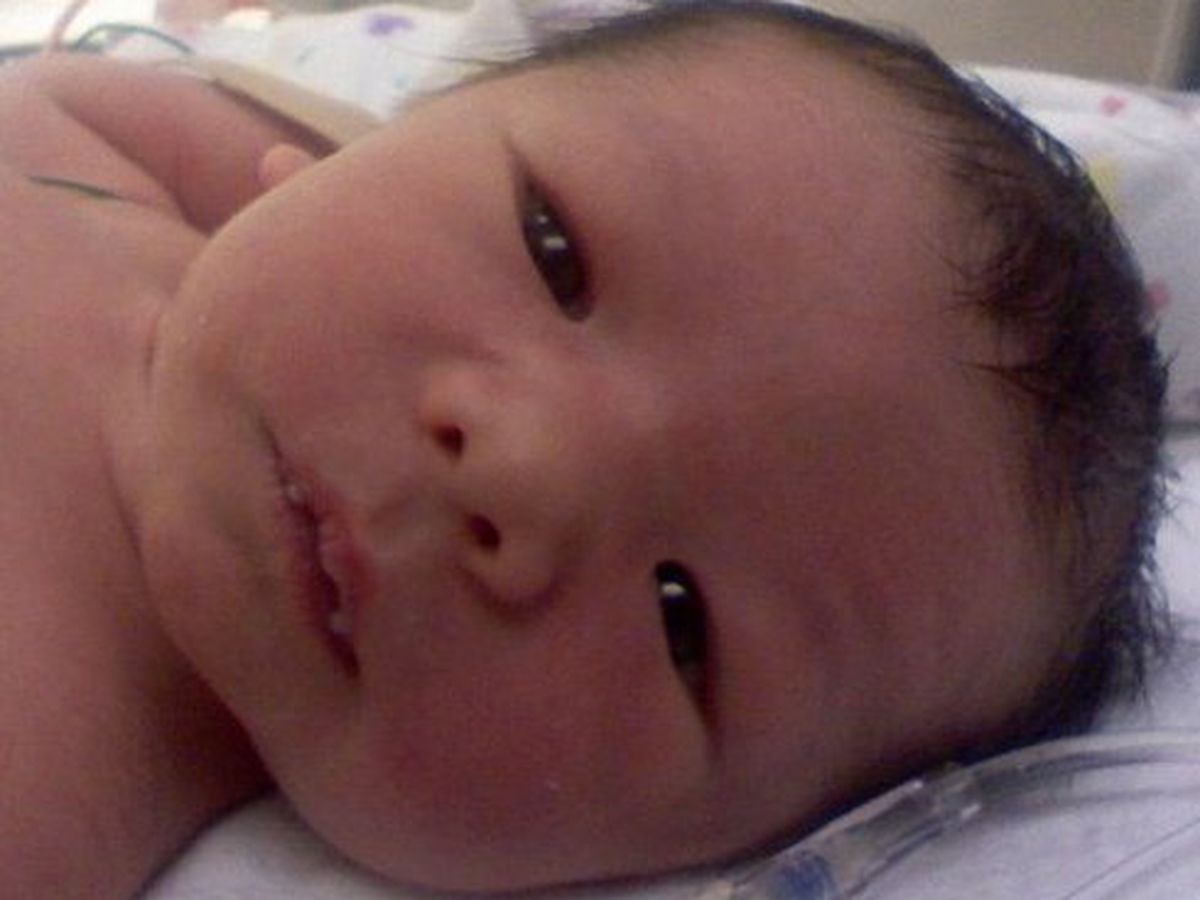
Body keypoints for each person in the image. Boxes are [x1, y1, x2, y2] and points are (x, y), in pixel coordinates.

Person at [0, 1, 1167, 896]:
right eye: (552, 250)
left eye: (681, 622)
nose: (523, 468)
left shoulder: (44, 771)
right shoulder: (131, 164)